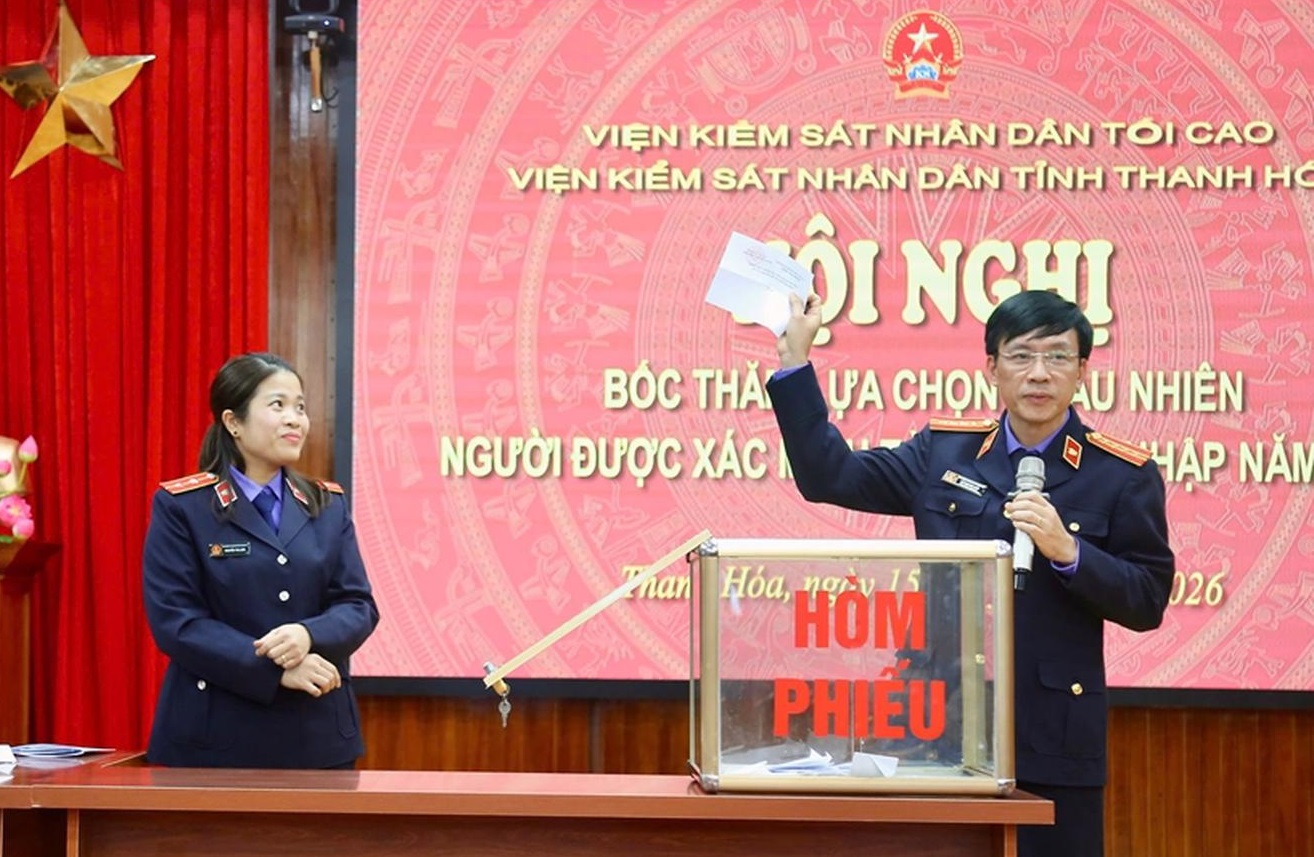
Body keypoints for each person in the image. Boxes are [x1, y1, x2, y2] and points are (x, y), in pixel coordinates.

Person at [767, 289, 1173, 857]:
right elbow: (828, 477)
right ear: (992, 367)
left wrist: (1069, 552)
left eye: (1057, 357)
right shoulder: (943, 454)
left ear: (1082, 371)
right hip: (935, 728)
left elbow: (1148, 598)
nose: (1038, 373)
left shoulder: (1121, 474)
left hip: (1051, 736)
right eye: (1021, 356)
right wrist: (795, 364)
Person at [142, 352, 379, 768]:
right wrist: (273, 670)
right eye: (278, 405)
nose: (294, 419)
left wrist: (308, 634)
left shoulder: (326, 504)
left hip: (317, 736)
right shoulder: (183, 507)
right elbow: (177, 622)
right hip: (214, 739)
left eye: (300, 407)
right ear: (233, 422)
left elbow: (358, 605)